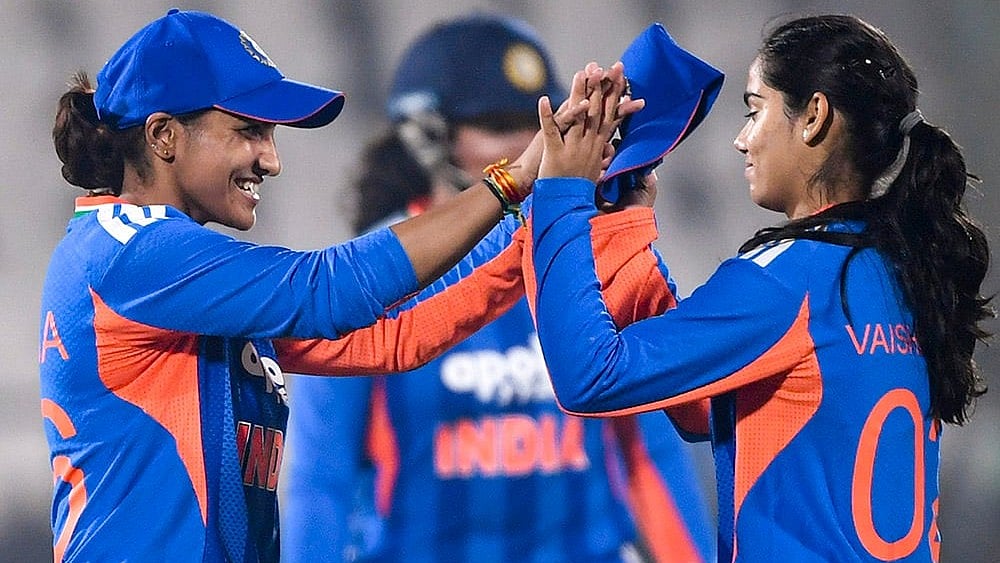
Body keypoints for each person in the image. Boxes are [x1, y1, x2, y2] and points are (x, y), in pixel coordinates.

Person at [39, 9, 616, 562]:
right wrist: (514, 183)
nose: (270, 159)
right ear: (164, 135)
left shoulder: (179, 275)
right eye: (247, 132)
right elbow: (325, 290)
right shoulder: (130, 252)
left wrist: (547, 217)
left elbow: (391, 340)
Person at [531, 14, 991, 562]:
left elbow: (589, 378)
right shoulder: (903, 267)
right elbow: (706, 408)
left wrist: (560, 193)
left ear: (814, 117)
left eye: (755, 109)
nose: (741, 139)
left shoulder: (787, 277)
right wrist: (627, 237)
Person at [281, 14, 715, 563]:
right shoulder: (368, 276)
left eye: (538, 120)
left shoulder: (597, 255)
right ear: (428, 136)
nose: (529, 143)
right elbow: (322, 479)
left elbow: (649, 456)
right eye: (495, 123)